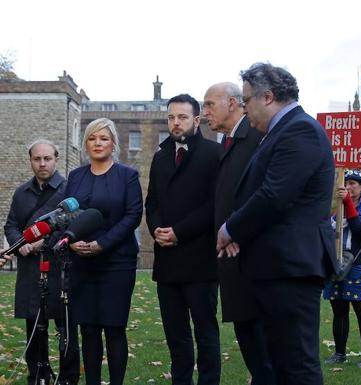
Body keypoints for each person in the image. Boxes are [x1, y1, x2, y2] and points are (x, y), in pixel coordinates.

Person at [216, 63, 337, 385]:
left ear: (267, 96)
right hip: (276, 267)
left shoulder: (300, 130)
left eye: (246, 100)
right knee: (279, 366)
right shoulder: (279, 133)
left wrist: (230, 229)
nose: (244, 108)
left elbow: (274, 195)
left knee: (297, 366)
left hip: (292, 268)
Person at [145, 94, 222, 385]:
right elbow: (151, 203)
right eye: (171, 117)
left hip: (200, 259)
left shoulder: (215, 154)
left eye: (182, 117)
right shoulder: (160, 156)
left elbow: (215, 205)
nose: (175, 123)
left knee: (206, 335)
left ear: (197, 120)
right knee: (176, 337)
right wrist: (156, 229)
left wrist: (179, 232)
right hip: (167, 262)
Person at [203, 82, 273, 384]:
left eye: (209, 105)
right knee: (248, 338)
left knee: (263, 347)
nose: (204, 112)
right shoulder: (227, 142)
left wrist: (238, 232)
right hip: (231, 260)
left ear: (233, 104)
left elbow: (263, 194)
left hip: (252, 258)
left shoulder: (258, 137)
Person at [65, 118, 143, 385]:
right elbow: (67, 215)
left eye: (103, 138)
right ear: (85, 143)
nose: (97, 143)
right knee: (88, 328)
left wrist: (103, 244)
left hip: (117, 262)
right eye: (92, 138)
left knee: (113, 328)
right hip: (82, 263)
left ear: (113, 143)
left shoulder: (128, 175)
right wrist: (72, 240)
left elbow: (133, 215)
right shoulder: (76, 177)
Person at [3, 139, 80, 385]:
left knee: (65, 327)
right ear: (31, 161)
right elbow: (11, 224)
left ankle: (67, 379)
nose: (42, 163)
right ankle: (38, 376)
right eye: (37, 159)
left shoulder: (68, 190)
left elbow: (74, 223)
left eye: (47, 158)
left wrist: (44, 243)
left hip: (60, 268)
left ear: (56, 159)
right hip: (29, 270)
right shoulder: (21, 192)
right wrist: (20, 242)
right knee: (34, 328)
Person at [323, 170, 361, 368]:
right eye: (346, 182)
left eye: (354, 183)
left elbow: (359, 229)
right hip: (336, 263)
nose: (349, 186)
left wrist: (348, 202)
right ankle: (340, 353)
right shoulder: (335, 207)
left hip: (358, 264)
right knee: (339, 309)